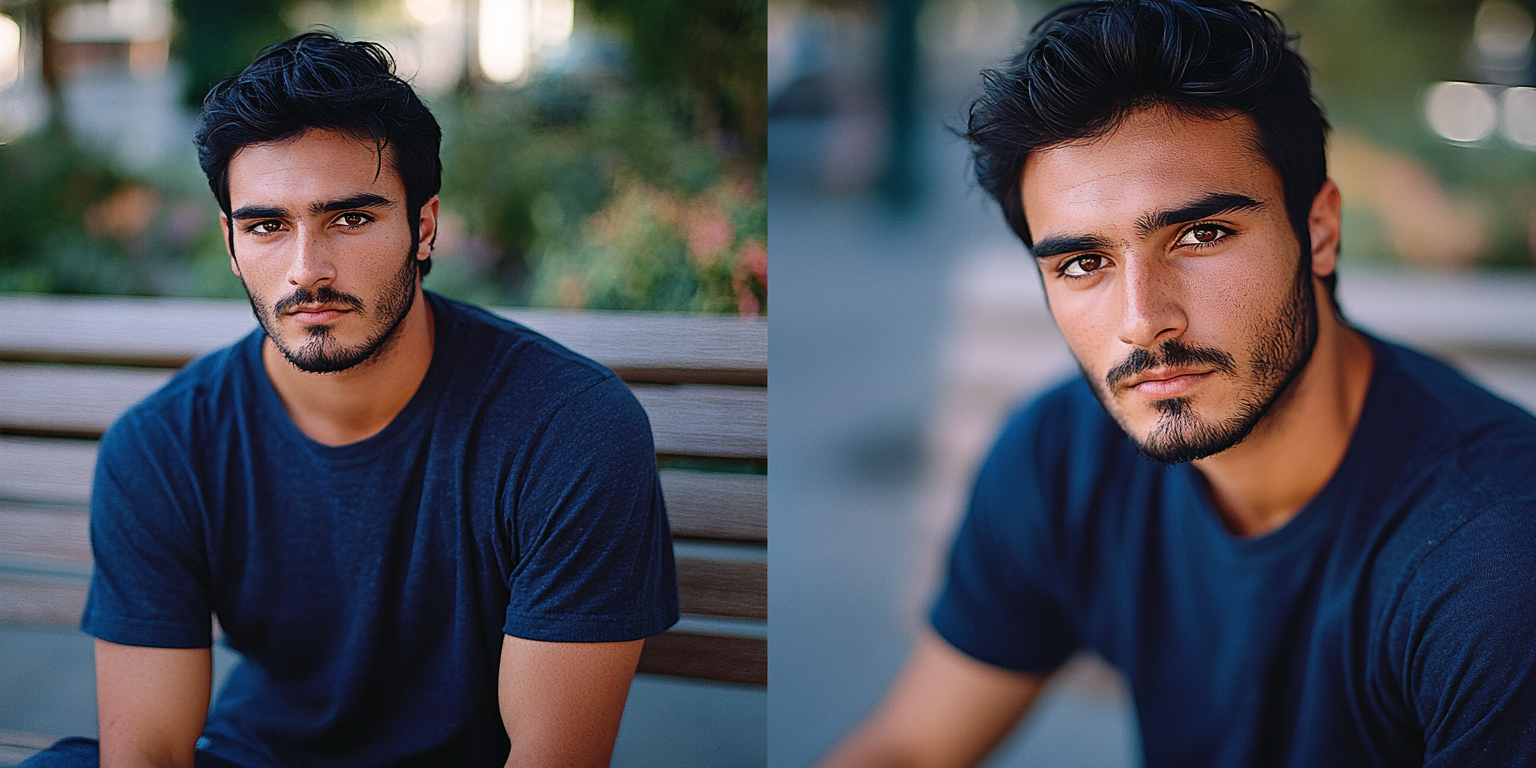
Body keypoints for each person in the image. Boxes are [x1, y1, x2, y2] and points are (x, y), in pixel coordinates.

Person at [823, 1, 1536, 766]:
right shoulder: (1060, 459)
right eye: (1083, 263)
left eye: (1201, 235)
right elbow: (911, 747)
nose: (1143, 322)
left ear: (1320, 232)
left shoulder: (1497, 567)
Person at [22, 32, 678, 768]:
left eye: (351, 218)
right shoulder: (164, 445)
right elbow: (146, 752)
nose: (308, 270)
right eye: (267, 225)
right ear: (232, 246)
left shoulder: (570, 430)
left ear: (422, 227)